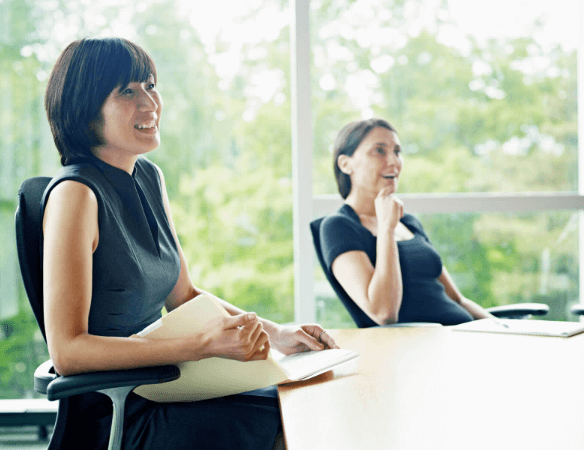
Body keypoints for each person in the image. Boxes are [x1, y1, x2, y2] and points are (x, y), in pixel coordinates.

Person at [41, 37, 338, 450]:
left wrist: (276, 334)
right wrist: (200, 346)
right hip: (120, 413)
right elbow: (68, 351)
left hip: (170, 387)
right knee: (294, 422)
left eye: (149, 84)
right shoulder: (75, 195)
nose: (150, 103)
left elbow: (185, 297)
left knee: (308, 396)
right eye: (127, 90)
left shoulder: (148, 178)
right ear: (85, 107)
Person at [320, 118, 498, 327]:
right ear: (345, 164)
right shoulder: (338, 227)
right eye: (379, 151)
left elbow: (457, 300)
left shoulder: (409, 222)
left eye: (397, 151)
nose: (394, 161)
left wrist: (506, 330)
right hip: (425, 350)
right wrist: (386, 228)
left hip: (465, 335)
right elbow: (384, 312)